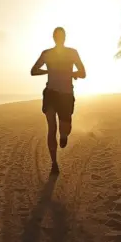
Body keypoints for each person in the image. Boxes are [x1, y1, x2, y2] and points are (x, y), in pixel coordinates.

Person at [30, 26, 85, 174]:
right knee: (51, 128)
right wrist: (49, 70)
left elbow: (83, 73)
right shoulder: (46, 53)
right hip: (51, 93)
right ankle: (54, 163)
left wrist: (72, 73)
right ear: (54, 38)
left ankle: (64, 135)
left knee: (65, 128)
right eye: (57, 36)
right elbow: (33, 71)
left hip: (66, 94)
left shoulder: (73, 53)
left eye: (61, 36)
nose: (59, 38)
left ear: (64, 37)